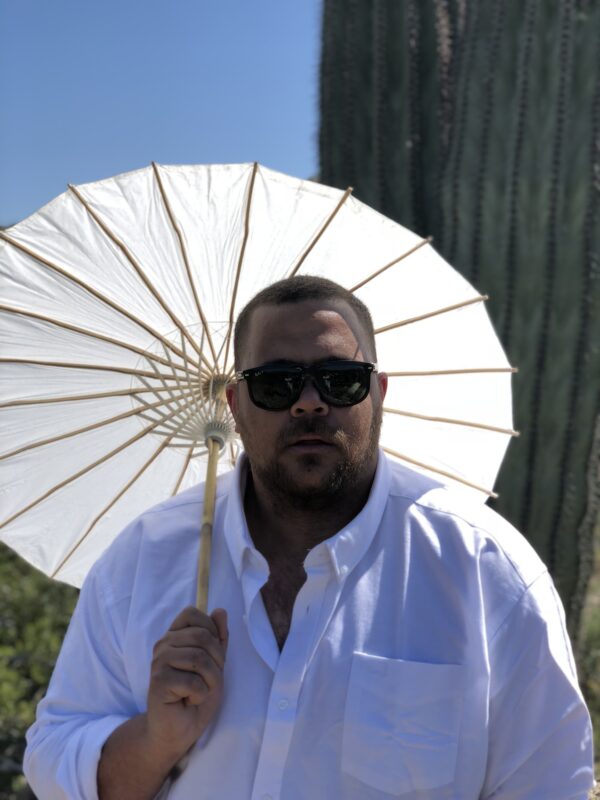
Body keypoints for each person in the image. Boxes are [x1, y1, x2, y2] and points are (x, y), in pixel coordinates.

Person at [24, 276, 594, 799]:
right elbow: (54, 763)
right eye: (276, 384)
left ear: (379, 393)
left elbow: (550, 785)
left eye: (340, 380)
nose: (309, 401)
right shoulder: (144, 558)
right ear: (235, 404)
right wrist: (154, 739)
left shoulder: (484, 571)